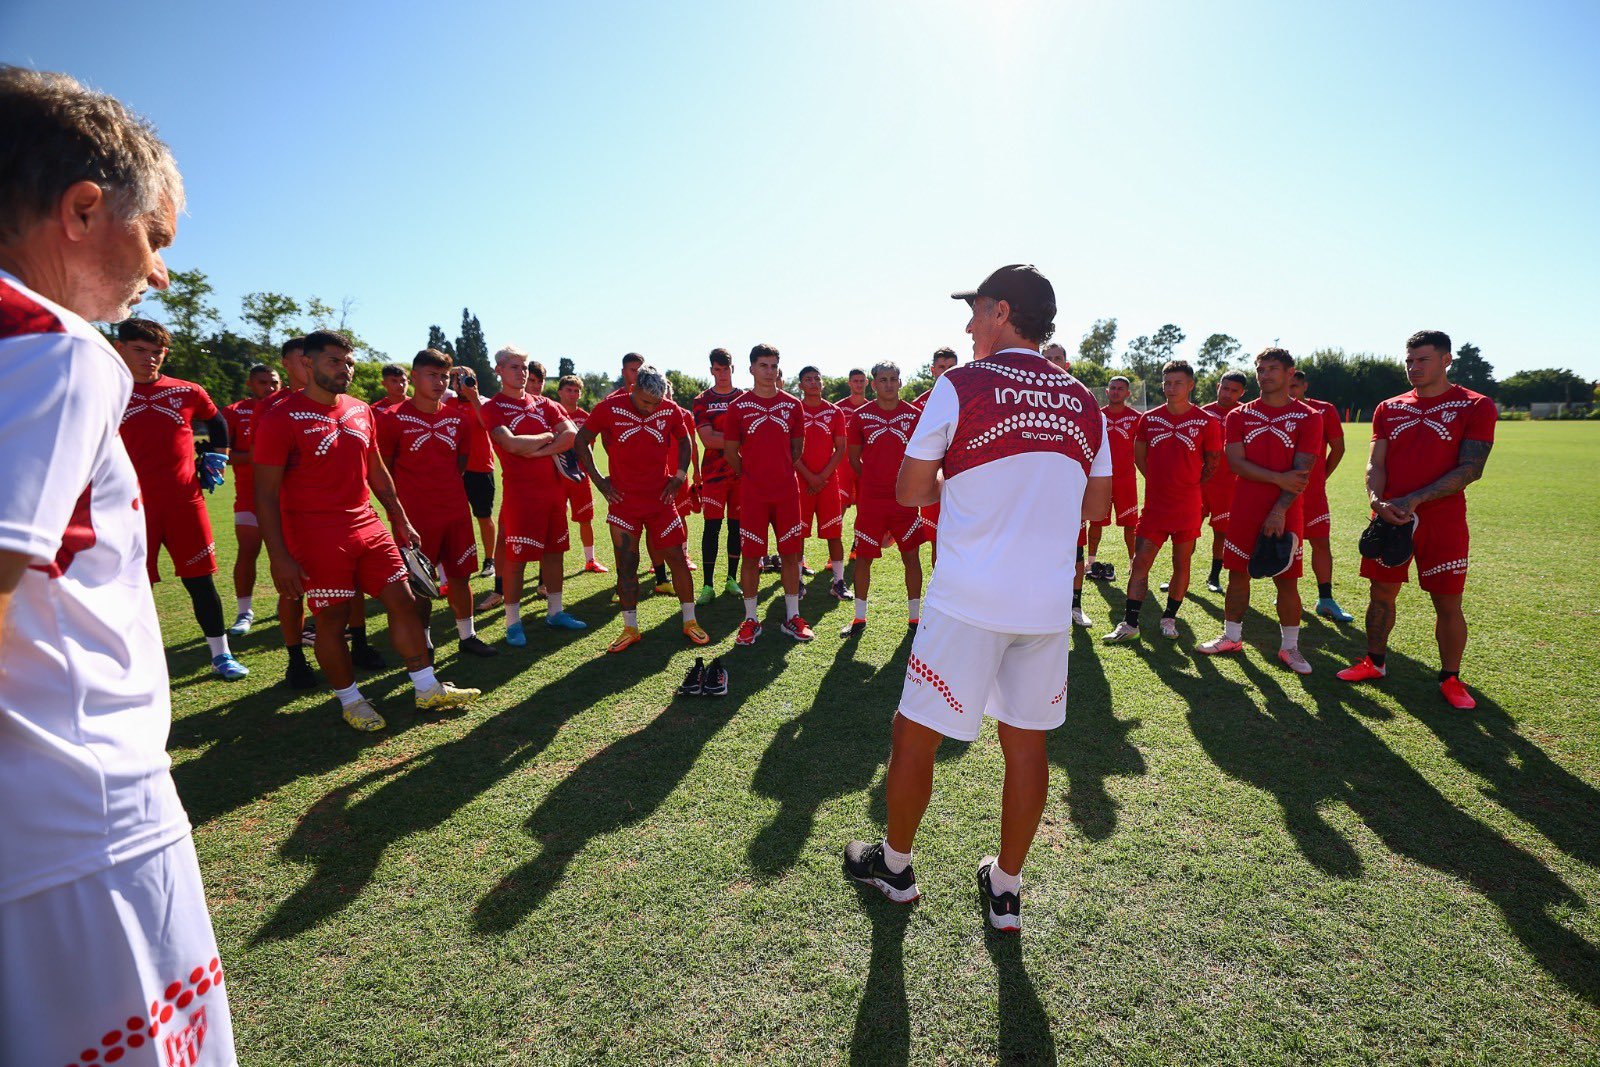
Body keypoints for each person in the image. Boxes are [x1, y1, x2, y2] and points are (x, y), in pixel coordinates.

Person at [0, 63, 239, 1064]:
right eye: (157, 238)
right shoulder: (51, 346)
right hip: (77, 821)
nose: (162, 275)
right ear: (84, 208)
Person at [844, 264, 1111, 932]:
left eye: (975, 311)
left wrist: (962, 488)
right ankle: (1007, 887)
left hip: (966, 599)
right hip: (1045, 607)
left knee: (914, 736)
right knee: (1026, 746)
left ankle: (896, 867)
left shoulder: (960, 383)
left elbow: (909, 489)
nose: (967, 325)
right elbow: (1099, 503)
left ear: (1001, 311)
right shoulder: (1084, 400)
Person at [254, 330, 481, 730]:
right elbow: (266, 496)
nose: (345, 369)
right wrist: (279, 557)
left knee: (405, 600)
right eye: (334, 361)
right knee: (331, 619)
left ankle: (427, 688)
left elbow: (376, 470)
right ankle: (351, 700)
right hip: (316, 535)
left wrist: (398, 516)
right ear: (307, 364)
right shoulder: (279, 418)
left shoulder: (361, 410)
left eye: (349, 361)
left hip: (368, 525)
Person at [1337, 330, 1496, 710]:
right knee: (1380, 595)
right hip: (1391, 517)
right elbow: (1376, 462)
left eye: (1423, 359)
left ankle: (1451, 678)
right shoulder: (1389, 407)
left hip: (1443, 521)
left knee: (1447, 602)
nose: (1414, 367)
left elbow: (1472, 467)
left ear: (1446, 360)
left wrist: (1417, 498)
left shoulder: (1475, 405)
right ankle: (1374, 662)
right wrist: (1376, 500)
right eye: (1409, 360)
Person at [112, 316, 249, 681]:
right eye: (140, 351)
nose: (150, 359)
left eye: (157, 352)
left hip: (185, 503)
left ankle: (221, 654)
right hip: (128, 507)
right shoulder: (105, 389)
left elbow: (216, 420)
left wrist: (218, 454)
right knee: (131, 585)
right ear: (119, 348)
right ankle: (130, 659)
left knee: (201, 581)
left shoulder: (187, 390)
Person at [1197, 348, 1323, 674]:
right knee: (1237, 574)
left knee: (1287, 580)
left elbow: (1302, 472)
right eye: (1260, 369)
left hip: (1287, 510)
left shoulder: (1309, 417)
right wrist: (1277, 477)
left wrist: (1280, 509)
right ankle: (1231, 637)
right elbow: (1236, 462)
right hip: (1245, 507)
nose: (1264, 375)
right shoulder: (1240, 416)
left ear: (1289, 373)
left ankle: (1290, 648)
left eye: (1272, 369)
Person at [575, 365, 711, 653]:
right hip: (624, 503)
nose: (651, 409)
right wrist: (600, 482)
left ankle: (690, 621)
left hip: (661, 501)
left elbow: (685, 440)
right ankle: (630, 627)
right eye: (645, 402)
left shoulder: (670, 409)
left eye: (656, 403)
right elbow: (581, 440)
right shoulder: (609, 407)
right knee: (627, 564)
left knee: (677, 557)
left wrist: (678, 477)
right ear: (633, 388)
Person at [375, 349, 497, 659]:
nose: (440, 382)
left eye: (444, 376)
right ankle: (424, 642)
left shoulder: (458, 417)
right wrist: (398, 514)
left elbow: (460, 461)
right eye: (432, 375)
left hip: (455, 511)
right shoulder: (390, 418)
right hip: (414, 517)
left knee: (460, 576)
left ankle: (468, 636)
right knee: (420, 583)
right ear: (414, 377)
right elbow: (382, 470)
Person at [1105, 360, 1221, 643]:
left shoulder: (1207, 422)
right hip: (1155, 507)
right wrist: (1159, 483)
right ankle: (1130, 623)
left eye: (1177, 383)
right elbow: (1140, 457)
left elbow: (1213, 463)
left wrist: (1187, 485)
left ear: (1190, 385)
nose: (1170, 388)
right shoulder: (1150, 419)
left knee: (1181, 563)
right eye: (1166, 383)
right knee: (1140, 559)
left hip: (1188, 507)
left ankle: (1169, 617)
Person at [476, 347, 585, 643]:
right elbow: (510, 445)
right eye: (514, 366)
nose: (521, 372)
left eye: (523, 366)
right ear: (498, 370)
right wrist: (550, 436)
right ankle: (513, 623)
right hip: (521, 496)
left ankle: (555, 612)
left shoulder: (546, 403)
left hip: (553, 493)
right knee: (516, 560)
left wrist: (537, 450)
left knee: (554, 554)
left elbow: (572, 435)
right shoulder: (493, 407)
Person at [725, 343, 813, 644]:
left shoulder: (792, 404)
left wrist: (778, 470)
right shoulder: (738, 406)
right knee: (751, 558)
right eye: (763, 365)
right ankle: (750, 619)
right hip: (753, 494)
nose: (770, 371)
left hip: (787, 492)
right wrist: (751, 474)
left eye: (774, 365)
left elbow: (796, 449)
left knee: (790, 554)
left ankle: (792, 616)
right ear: (751, 368)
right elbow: (730, 452)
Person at [842, 361, 930, 636]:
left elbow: (922, 456)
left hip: (904, 500)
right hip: (871, 502)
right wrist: (872, 480)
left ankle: (915, 620)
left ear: (900, 382)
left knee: (911, 557)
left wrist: (905, 485)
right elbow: (853, 458)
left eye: (894, 378)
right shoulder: (861, 416)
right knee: (863, 559)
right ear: (874, 383)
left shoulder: (915, 415)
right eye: (883, 379)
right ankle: (859, 618)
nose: (889, 384)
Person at [1288, 369, 1354, 622]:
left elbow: (1338, 447)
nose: (1290, 391)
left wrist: (1321, 476)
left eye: (1295, 386)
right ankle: (1287, 594)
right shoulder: (1279, 410)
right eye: (1288, 386)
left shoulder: (1324, 410)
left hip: (1313, 494)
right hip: (1284, 491)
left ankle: (1325, 599)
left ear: (1305, 385)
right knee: (1288, 544)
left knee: (1320, 543)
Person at [220, 362, 279, 637]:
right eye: (263, 382)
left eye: (274, 383)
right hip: (249, 497)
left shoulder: (287, 407)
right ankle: (245, 612)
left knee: (288, 554)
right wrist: (259, 454)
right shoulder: (233, 412)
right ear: (250, 384)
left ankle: (288, 604)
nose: (269, 388)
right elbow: (225, 455)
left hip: (284, 497)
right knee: (248, 552)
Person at [1043, 346, 1095, 628]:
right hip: (1037, 495)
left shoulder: (1080, 400)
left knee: (1075, 554)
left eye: (1057, 359)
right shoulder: (1031, 397)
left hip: (1070, 494)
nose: (1052, 363)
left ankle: (1075, 606)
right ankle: (1042, 607)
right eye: (1047, 359)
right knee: (1038, 553)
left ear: (1068, 363)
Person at [692, 348, 744, 603]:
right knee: (712, 527)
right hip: (713, 474)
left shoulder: (745, 398)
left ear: (733, 369)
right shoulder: (701, 400)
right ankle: (707, 585)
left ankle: (732, 580)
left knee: (737, 526)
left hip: (741, 472)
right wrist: (739, 441)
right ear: (711, 370)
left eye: (726, 368)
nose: (722, 374)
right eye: (717, 369)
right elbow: (707, 439)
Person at [796, 365, 851, 600]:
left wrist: (822, 477)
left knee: (834, 533)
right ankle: (796, 581)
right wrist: (810, 476)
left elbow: (841, 449)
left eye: (817, 379)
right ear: (800, 385)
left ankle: (838, 581)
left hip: (828, 482)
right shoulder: (794, 410)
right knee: (797, 534)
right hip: (800, 481)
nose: (813, 383)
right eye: (808, 379)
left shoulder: (834, 412)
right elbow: (790, 449)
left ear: (823, 383)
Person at [446, 366, 499, 591]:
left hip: (480, 467)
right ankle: (454, 562)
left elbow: (488, 424)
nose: (462, 382)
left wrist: (473, 397)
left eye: (467, 378)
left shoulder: (485, 402)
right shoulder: (446, 404)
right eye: (456, 378)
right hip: (453, 470)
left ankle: (490, 559)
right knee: (453, 519)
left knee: (483, 516)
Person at [1086, 375, 1140, 581]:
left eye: (1121, 389)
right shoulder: (1096, 415)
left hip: (1126, 480)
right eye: (1113, 388)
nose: (1116, 391)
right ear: (1107, 392)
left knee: (1130, 523)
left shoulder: (1136, 418)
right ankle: (1091, 561)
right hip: (1101, 478)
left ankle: (1132, 562)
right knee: (1096, 520)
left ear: (1127, 393)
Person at [1198, 371, 1248, 593]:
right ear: (1218, 386)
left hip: (1228, 485)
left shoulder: (1245, 414)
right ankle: (1178, 577)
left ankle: (1214, 576)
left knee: (1221, 533)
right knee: (1186, 531)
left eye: (1234, 390)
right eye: (1224, 388)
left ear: (1242, 392)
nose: (1227, 394)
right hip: (1199, 484)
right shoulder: (1203, 413)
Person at [909, 347, 959, 565]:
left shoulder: (968, 397)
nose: (946, 371)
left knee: (962, 536)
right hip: (933, 479)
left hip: (962, 478)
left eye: (951, 367)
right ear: (932, 370)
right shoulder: (920, 405)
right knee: (937, 538)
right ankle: (939, 585)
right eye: (941, 367)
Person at [555, 373, 605, 573]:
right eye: (569, 390)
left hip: (580, 476)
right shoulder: (551, 414)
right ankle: (550, 565)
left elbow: (589, 447)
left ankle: (590, 560)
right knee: (555, 520)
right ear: (560, 392)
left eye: (577, 391)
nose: (573, 394)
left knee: (586, 518)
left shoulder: (585, 417)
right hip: (556, 475)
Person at [835, 367, 872, 515]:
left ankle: (860, 539)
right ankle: (836, 537)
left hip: (866, 463)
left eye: (862, 381)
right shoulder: (838, 408)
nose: (858, 384)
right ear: (849, 383)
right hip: (843, 464)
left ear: (867, 382)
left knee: (866, 506)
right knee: (840, 505)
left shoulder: (872, 408)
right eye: (855, 381)